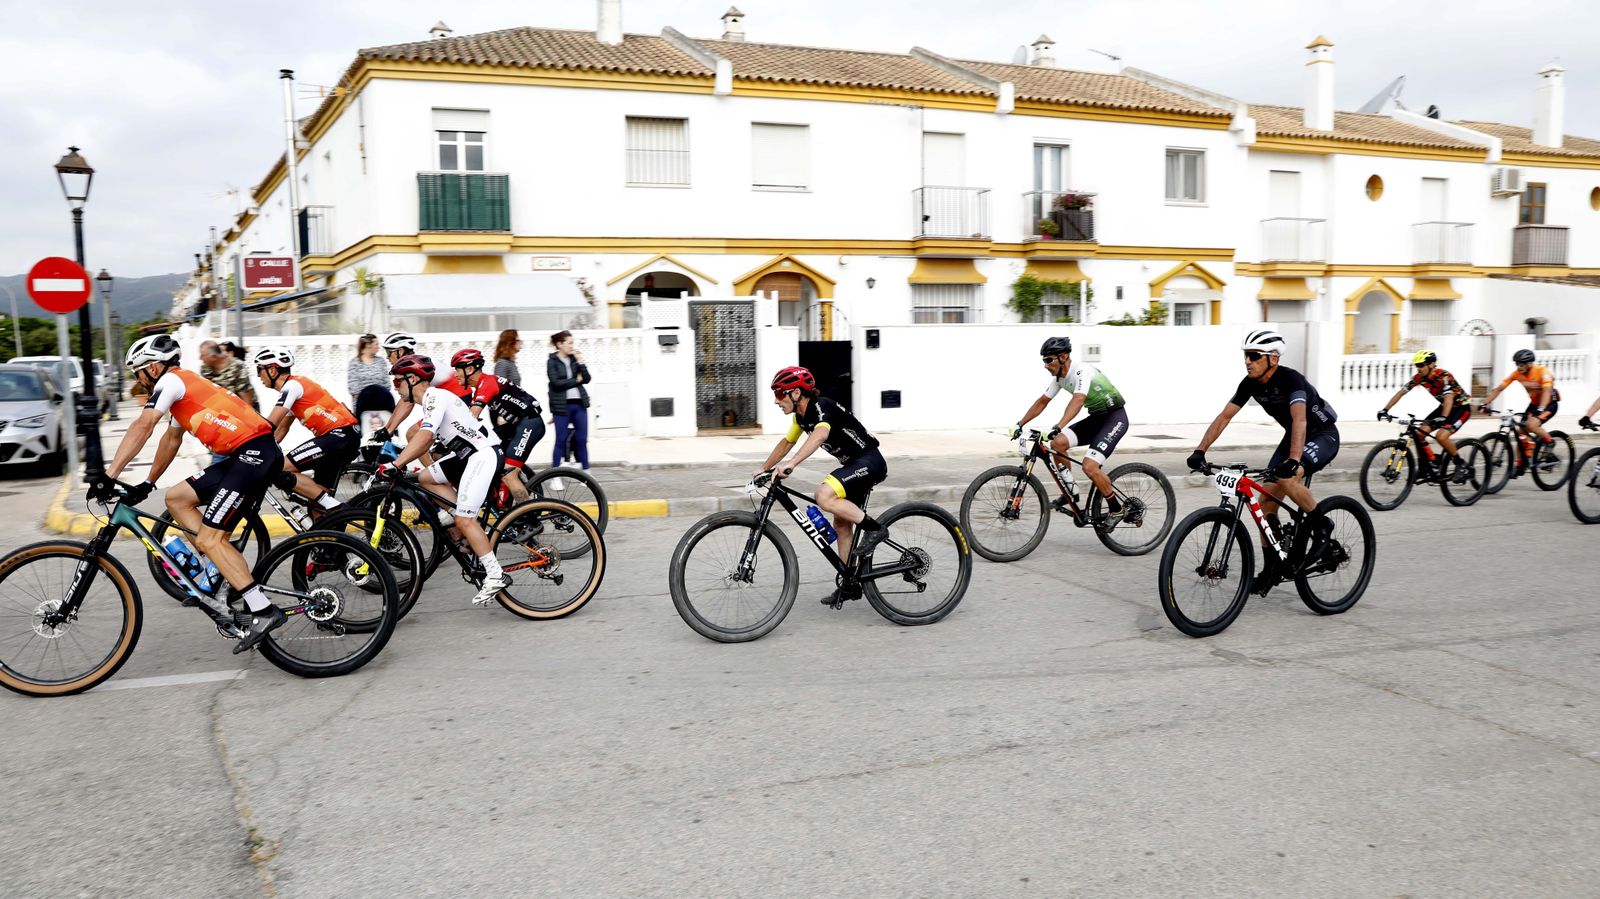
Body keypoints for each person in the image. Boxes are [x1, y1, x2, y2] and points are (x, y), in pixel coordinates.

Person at [96, 334, 287, 653]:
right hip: (242, 455)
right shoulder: (181, 390)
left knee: (211, 538)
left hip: (253, 454)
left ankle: (263, 611)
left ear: (154, 367)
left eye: (138, 372)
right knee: (177, 498)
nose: (138, 380)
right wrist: (147, 483)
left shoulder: (171, 381)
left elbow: (143, 426)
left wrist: (109, 475)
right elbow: (170, 440)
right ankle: (218, 560)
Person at [1187, 329, 1339, 595]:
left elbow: (1300, 420)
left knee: (1287, 477)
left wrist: (1293, 459)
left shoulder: (1291, 380)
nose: (1248, 361)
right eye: (1246, 355)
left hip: (1321, 435)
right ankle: (1272, 568)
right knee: (1264, 500)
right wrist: (1200, 450)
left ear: (1273, 359)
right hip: (1293, 436)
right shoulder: (1250, 383)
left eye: (1254, 356)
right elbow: (1224, 416)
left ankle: (1322, 525)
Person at [380, 354, 508, 605]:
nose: (396, 388)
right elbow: (421, 436)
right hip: (465, 455)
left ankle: (495, 574)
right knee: (425, 477)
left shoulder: (435, 397)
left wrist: (396, 464)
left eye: (397, 382)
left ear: (413, 378)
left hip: (482, 455)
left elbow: (425, 436)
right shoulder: (431, 401)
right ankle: (458, 520)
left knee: (465, 518)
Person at [755, 366, 890, 604]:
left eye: (779, 394)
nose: (776, 401)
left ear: (796, 393)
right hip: (854, 466)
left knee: (823, 495)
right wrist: (764, 468)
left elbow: (820, 436)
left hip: (869, 461)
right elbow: (787, 442)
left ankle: (875, 529)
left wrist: (792, 464)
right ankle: (850, 583)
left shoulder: (821, 407)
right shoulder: (800, 417)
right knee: (841, 524)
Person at [1009, 336, 1130, 522]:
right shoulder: (1059, 379)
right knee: (1058, 443)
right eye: (1044, 360)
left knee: (1089, 466)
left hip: (1114, 418)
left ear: (1063, 357)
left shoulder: (1082, 371)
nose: (1045, 365)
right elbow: (1042, 402)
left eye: (1048, 360)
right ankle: (1071, 492)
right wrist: (1020, 423)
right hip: (1097, 419)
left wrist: (1058, 426)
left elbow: (1078, 400)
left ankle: (1117, 509)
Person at [254, 347, 359, 514]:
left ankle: (337, 507)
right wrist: (259, 451)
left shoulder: (292, 386)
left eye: (259, 369)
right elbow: (280, 431)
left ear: (272, 370)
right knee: (317, 504)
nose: (258, 375)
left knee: (280, 467)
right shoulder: (295, 390)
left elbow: (270, 423)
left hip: (338, 436)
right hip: (341, 438)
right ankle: (329, 532)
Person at [453, 347, 545, 502]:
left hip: (530, 423)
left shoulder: (487, 383)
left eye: (457, 370)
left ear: (469, 369)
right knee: (489, 451)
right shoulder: (481, 387)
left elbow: (471, 416)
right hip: (517, 424)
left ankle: (529, 516)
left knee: (508, 474)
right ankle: (502, 497)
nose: (455, 374)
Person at [1378, 349, 1473, 482]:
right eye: (1416, 366)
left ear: (1431, 364)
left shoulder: (1444, 376)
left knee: (1441, 436)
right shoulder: (1419, 378)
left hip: (1461, 408)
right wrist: (1385, 409)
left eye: (1421, 365)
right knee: (1419, 434)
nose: (1418, 368)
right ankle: (1428, 465)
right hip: (1443, 408)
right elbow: (1401, 392)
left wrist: (1444, 418)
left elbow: (1449, 398)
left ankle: (1461, 465)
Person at [372, 331, 467, 449]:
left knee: (412, 434)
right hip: (454, 400)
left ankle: (431, 468)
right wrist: (388, 428)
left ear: (400, 351)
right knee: (437, 451)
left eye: (388, 352)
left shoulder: (415, 366)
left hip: (459, 399)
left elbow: (407, 403)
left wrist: (388, 430)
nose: (386, 356)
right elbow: (404, 400)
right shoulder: (413, 364)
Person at [1483, 348, 1560, 448]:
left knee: (1531, 425)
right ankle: (1521, 462)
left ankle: (1550, 442)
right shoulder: (1517, 374)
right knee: (1521, 434)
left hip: (1549, 404)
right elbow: (1499, 388)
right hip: (1534, 404)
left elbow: (1547, 391)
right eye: (1517, 364)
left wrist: (1541, 408)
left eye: (1521, 364)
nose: (1519, 367)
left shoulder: (1542, 371)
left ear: (1529, 364)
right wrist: (1485, 403)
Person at [547, 331, 591, 474]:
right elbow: (556, 383)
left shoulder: (574, 359)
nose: (572, 345)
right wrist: (575, 380)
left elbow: (587, 378)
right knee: (560, 439)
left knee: (582, 440)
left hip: (579, 404)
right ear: (560, 344)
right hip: (561, 406)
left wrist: (581, 362)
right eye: (569, 342)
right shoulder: (552, 361)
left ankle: (587, 473)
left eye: (573, 342)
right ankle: (555, 476)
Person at [347, 333, 395, 435]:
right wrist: (369, 393)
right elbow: (353, 387)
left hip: (382, 401)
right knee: (365, 432)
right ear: (368, 345)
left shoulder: (381, 361)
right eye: (376, 344)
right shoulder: (354, 363)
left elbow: (387, 383)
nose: (378, 347)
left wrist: (378, 393)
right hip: (363, 403)